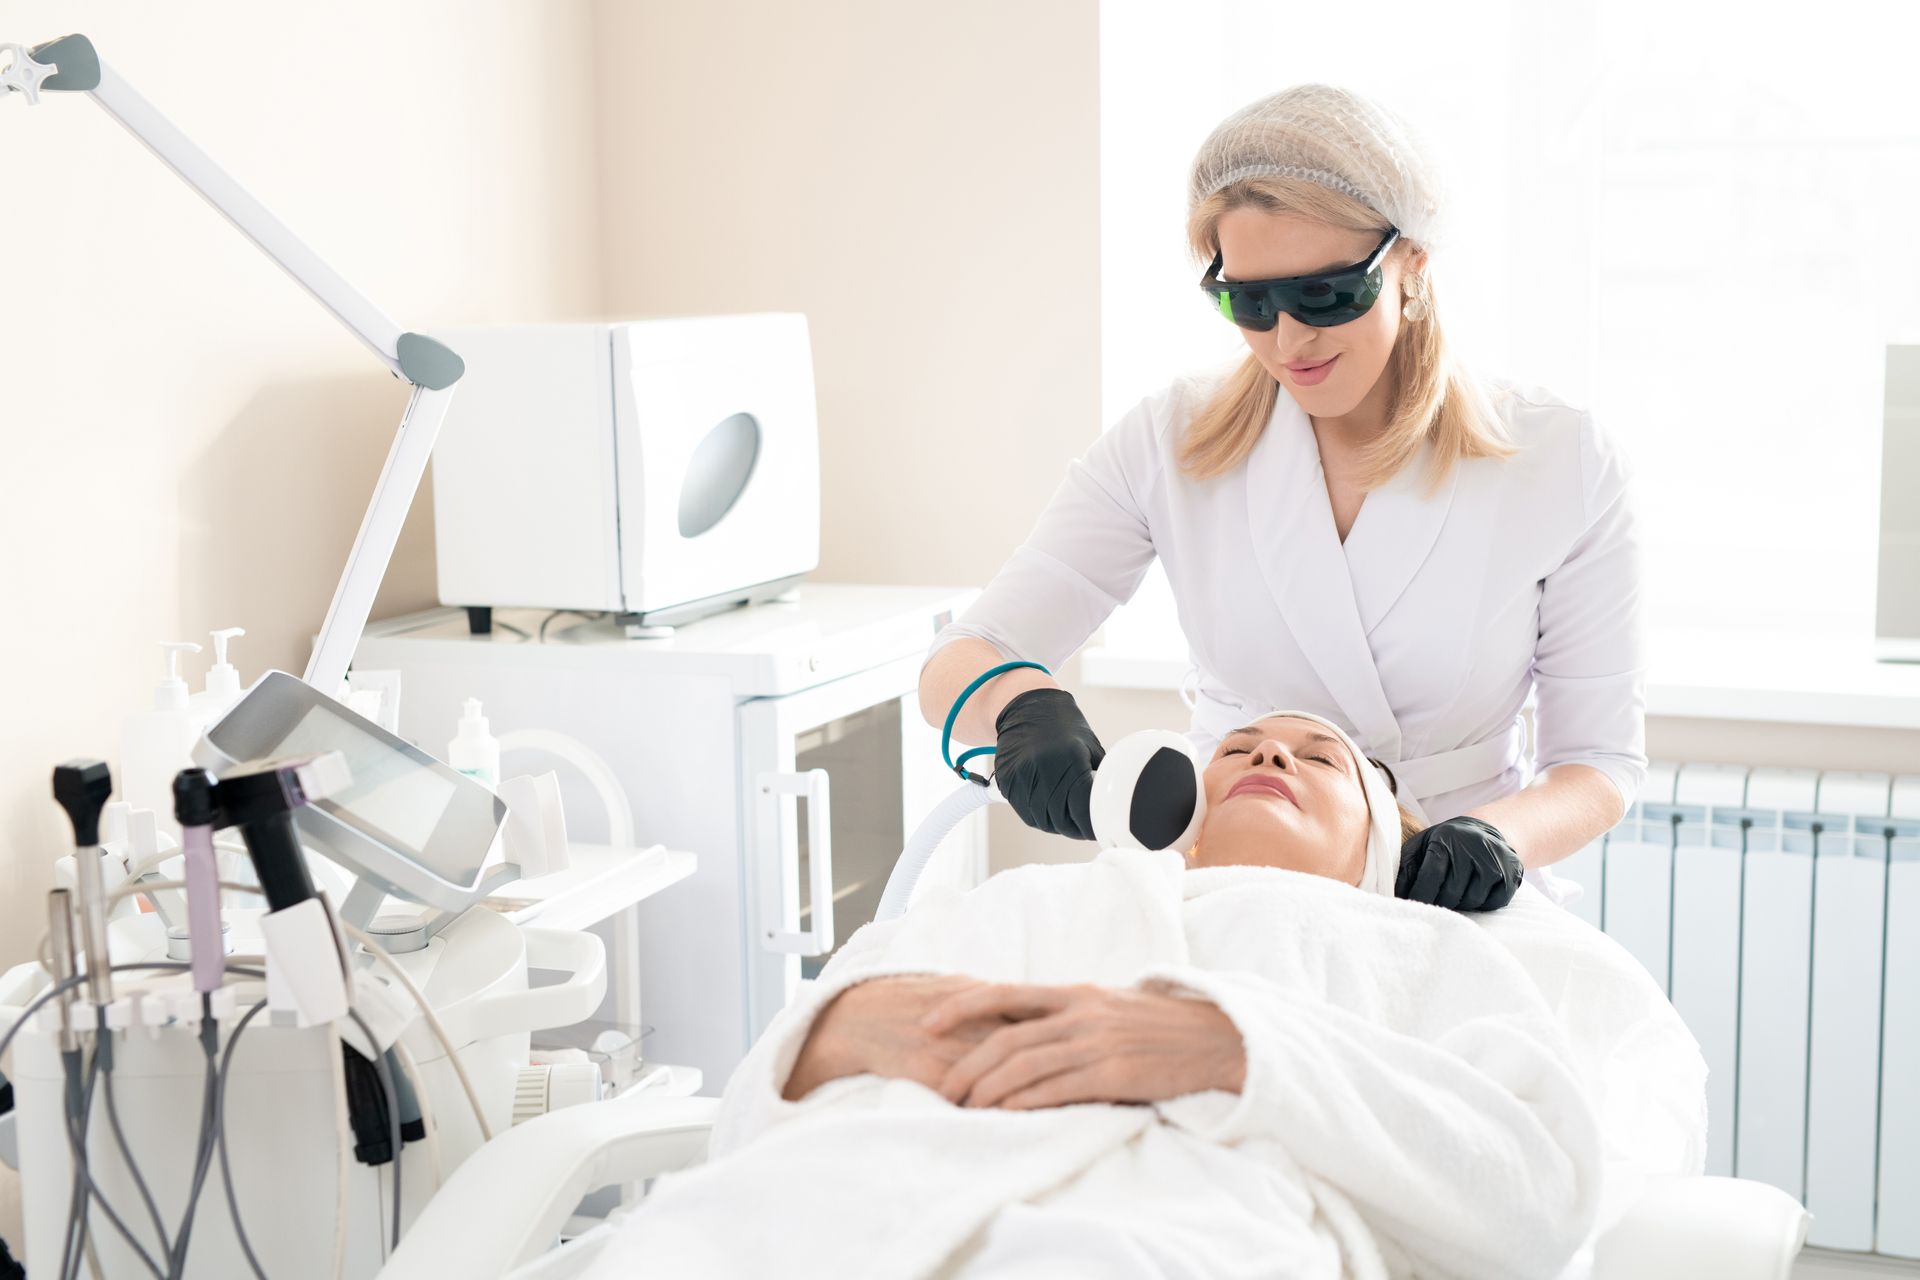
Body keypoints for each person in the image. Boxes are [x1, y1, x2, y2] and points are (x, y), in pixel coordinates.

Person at [580, 711, 1670, 1280]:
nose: (1271, 751)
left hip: (1178, 1239)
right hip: (861, 1197)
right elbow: (770, 1089)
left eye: (1318, 759)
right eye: (1240, 745)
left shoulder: (1419, 953)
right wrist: (835, 1029)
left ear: (1381, 841)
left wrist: (1233, 1048)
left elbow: (1536, 1188)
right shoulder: (1041, 897)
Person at [919, 83, 1647, 913]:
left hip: (1448, 887)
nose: (1288, 340)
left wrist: (1497, 838)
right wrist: (1020, 705)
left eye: (1327, 296)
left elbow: (1599, 764)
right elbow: (962, 657)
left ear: (1411, 264)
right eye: (1249, 302)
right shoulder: (1170, 441)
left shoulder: (1560, 460)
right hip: (1228, 882)